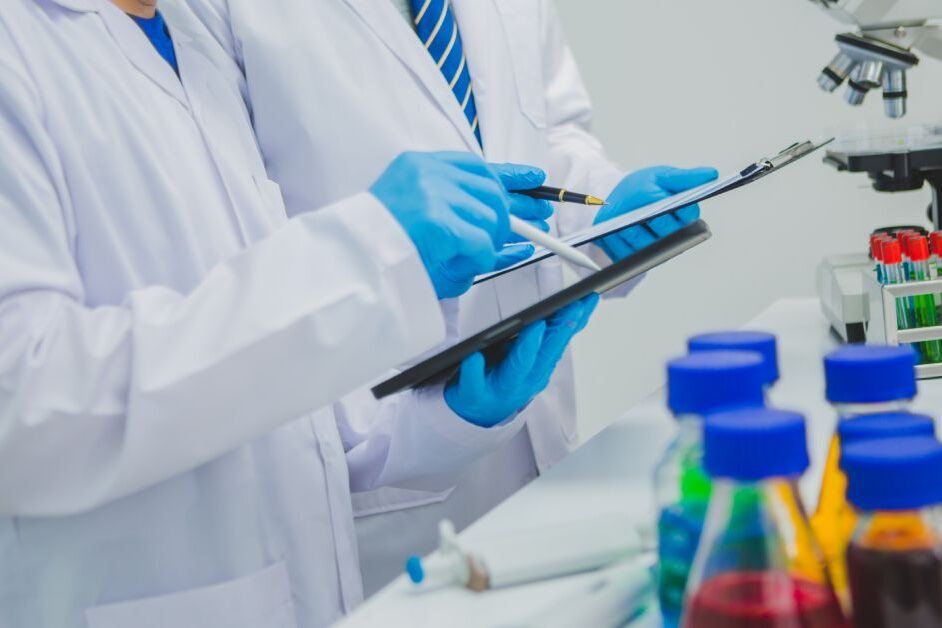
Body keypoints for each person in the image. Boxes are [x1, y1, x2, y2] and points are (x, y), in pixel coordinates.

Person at [0, 1, 595, 627]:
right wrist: (365, 255)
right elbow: (25, 402)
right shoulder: (22, 47)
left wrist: (440, 419)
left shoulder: (187, 43)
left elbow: (266, 384)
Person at [172, 0, 720, 594]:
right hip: (380, 493)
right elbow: (232, 245)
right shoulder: (212, 11)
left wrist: (603, 209)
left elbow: (550, 127)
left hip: (546, 457)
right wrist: (434, 422)